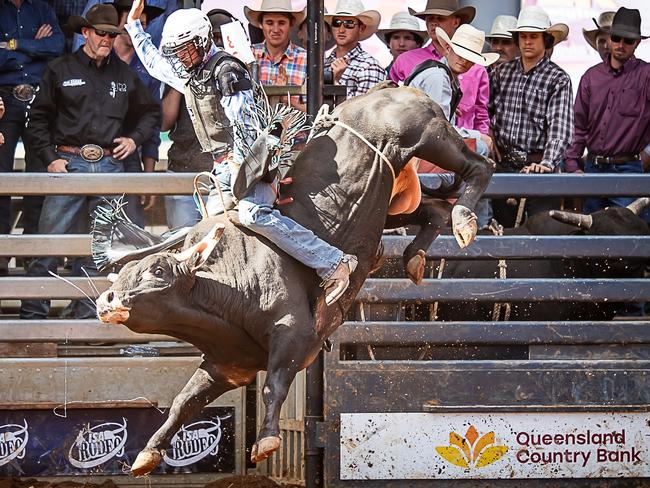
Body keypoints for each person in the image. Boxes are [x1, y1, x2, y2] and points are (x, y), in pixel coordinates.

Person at [125, 1, 357, 305]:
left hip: (250, 162)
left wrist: (242, 169)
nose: (179, 57)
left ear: (201, 40)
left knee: (253, 214)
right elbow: (156, 63)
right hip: (224, 167)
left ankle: (333, 262)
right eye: (177, 51)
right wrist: (134, 26)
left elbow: (246, 126)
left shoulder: (227, 72)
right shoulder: (192, 72)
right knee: (209, 232)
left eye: (184, 49)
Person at [20, 4, 159, 320]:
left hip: (110, 164)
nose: (106, 40)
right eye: (101, 33)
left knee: (102, 248)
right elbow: (37, 118)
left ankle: (85, 316)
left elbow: (151, 112)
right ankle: (33, 319)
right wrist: (50, 159)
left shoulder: (124, 74)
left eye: (111, 34)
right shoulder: (60, 69)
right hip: (68, 162)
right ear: (85, 33)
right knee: (48, 243)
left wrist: (134, 138)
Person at [407, 24, 498, 228]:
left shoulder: (437, 72)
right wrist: (478, 136)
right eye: (460, 52)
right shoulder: (439, 77)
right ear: (448, 49)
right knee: (481, 150)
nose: (463, 60)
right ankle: (479, 223)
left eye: (469, 56)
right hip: (417, 151)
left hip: (416, 146)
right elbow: (439, 131)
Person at [489, 6, 572, 227]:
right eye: (523, 36)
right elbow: (484, 109)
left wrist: (546, 163)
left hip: (538, 166)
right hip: (504, 165)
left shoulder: (558, 78)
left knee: (542, 229)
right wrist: (488, 134)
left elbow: (560, 127)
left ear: (546, 40)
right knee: (501, 232)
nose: (527, 42)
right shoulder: (500, 73)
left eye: (533, 36)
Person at [0, 0, 64, 274]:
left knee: (37, 176)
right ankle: (2, 253)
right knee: (1, 178)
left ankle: (33, 253)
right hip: (3, 99)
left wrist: (13, 45)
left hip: (39, 98)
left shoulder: (42, 9)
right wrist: (35, 47)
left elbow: (57, 46)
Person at [564, 7, 649, 212]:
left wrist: (647, 154)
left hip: (629, 168)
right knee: (590, 234)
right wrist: (573, 165)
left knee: (628, 235)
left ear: (637, 43)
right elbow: (578, 125)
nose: (621, 45)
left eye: (628, 40)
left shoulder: (646, 76)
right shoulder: (591, 78)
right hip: (593, 168)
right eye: (617, 38)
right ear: (609, 39)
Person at [162, 8, 235, 229]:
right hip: (184, 167)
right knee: (181, 242)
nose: (218, 46)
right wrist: (181, 80)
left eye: (223, 38)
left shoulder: (233, 69)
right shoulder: (182, 69)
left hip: (222, 175)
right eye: (215, 38)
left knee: (220, 246)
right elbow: (164, 122)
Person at [389, 0, 489, 141]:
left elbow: (480, 112)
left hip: (457, 144)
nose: (434, 23)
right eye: (430, 19)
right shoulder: (405, 60)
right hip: (431, 143)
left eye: (440, 18)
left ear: (456, 22)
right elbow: (389, 99)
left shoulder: (477, 70)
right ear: (448, 49)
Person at [245, 0, 307, 110]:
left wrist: (284, 97)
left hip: (294, 127)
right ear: (261, 24)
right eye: (269, 23)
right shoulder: (248, 55)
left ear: (291, 23)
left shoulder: (306, 59)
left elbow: (313, 112)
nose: (275, 29)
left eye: (281, 23)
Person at [324, 0, 385, 99]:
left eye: (349, 24)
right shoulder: (322, 64)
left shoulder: (370, 66)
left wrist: (336, 82)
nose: (341, 30)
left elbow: (363, 110)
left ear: (361, 29)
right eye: (337, 23)